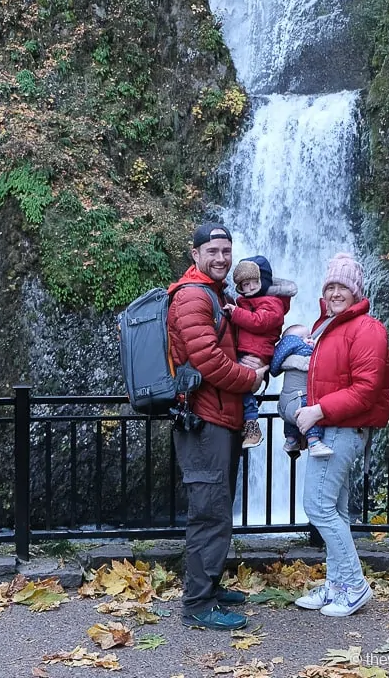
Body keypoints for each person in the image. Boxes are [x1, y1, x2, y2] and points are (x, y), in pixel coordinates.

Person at [167, 223, 267, 631]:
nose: (222, 258)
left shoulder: (217, 295)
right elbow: (207, 359)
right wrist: (252, 380)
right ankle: (198, 604)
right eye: (213, 250)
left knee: (217, 509)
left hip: (220, 418)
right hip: (204, 419)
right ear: (195, 255)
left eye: (227, 250)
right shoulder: (192, 296)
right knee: (209, 513)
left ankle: (209, 586)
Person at [294, 252, 389, 619]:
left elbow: (367, 388)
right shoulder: (329, 327)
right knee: (334, 509)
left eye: (342, 287)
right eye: (330, 286)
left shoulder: (366, 329)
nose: (335, 292)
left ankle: (354, 584)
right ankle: (337, 584)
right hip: (332, 428)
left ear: (356, 291)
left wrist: (318, 411)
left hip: (342, 429)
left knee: (317, 506)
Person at [222, 256, 297, 449]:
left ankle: (252, 424)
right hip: (246, 350)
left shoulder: (273, 303)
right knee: (239, 386)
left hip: (256, 353)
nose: (248, 288)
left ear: (262, 280)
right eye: (244, 285)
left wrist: (236, 313)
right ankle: (247, 425)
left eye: (252, 283)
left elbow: (260, 321)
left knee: (243, 386)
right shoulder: (250, 302)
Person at [269, 323, 333, 458]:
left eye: (309, 336)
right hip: (299, 401)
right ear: (292, 343)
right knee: (310, 409)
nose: (309, 340)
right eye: (302, 338)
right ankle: (314, 442)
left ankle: (291, 440)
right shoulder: (303, 356)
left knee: (294, 415)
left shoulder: (285, 359)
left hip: (285, 405)